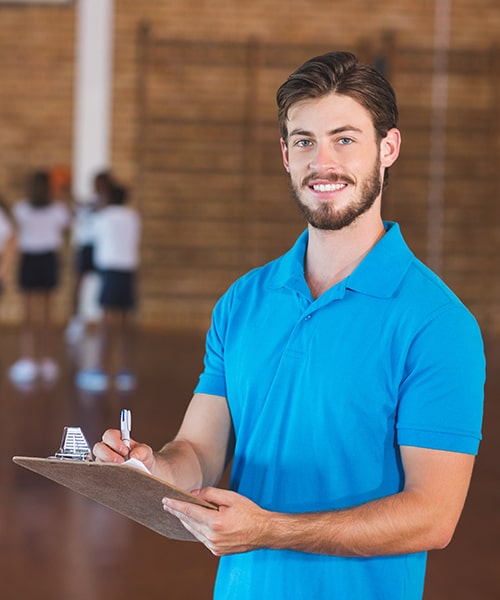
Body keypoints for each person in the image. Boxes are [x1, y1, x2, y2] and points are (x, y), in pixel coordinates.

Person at [93, 52, 485, 599]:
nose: (322, 162)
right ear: (284, 154)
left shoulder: (439, 325)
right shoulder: (243, 301)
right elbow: (200, 452)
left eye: (344, 139)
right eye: (304, 141)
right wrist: (151, 467)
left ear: (388, 148)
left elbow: (433, 515)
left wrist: (271, 529)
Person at [75, 182, 141, 393]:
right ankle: (125, 371)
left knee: (105, 322)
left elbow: (87, 231)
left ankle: (100, 370)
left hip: (111, 272)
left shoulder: (102, 218)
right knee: (124, 323)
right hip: (129, 272)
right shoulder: (133, 216)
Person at [9, 170, 71, 384]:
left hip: (43, 259)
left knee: (42, 314)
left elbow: (67, 227)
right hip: (36, 259)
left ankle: (45, 360)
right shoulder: (23, 209)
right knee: (36, 314)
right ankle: (31, 360)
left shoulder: (52, 209)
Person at [65, 170, 114, 344]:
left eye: (101, 183)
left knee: (105, 287)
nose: (98, 186)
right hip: (86, 246)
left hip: (103, 248)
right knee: (77, 284)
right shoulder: (89, 201)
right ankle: (75, 321)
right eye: (96, 183)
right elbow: (76, 213)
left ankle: (104, 323)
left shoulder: (111, 204)